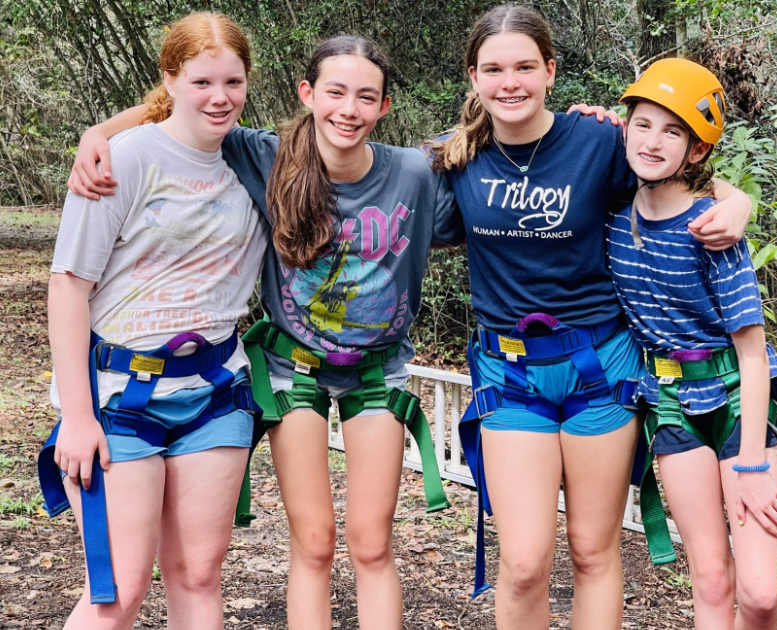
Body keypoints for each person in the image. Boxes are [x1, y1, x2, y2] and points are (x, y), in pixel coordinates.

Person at [65, 36, 463, 630]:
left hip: (378, 371)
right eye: (335, 92)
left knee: (372, 541)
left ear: (384, 106)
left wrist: (589, 127)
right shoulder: (268, 157)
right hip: (292, 368)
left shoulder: (413, 173)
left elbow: (494, 150)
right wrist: (97, 133)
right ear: (307, 94)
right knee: (314, 540)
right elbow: (183, 104)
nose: (348, 109)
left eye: (366, 97)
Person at [425, 5, 755, 630]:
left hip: (600, 368)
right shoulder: (454, 156)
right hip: (510, 373)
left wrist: (737, 200)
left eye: (526, 67)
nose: (510, 82)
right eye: (493, 69)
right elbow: (358, 169)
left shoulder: (598, 140)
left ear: (551, 71)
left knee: (592, 551)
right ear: (473, 77)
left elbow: (674, 172)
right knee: (524, 562)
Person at [37, 12, 268, 630]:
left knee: (199, 577)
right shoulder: (126, 159)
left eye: (233, 82)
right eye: (201, 82)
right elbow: (68, 287)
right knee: (119, 589)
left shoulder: (255, 160)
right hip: (121, 397)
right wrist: (77, 418)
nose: (220, 98)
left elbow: (348, 141)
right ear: (169, 78)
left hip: (215, 394)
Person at [607, 58, 777, 630]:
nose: (652, 141)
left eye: (673, 132)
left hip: (738, 400)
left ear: (696, 151)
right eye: (643, 124)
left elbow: (752, 353)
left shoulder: (713, 229)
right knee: (711, 580)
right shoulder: (612, 218)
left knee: (761, 594)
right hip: (672, 403)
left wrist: (752, 463)